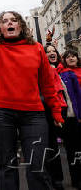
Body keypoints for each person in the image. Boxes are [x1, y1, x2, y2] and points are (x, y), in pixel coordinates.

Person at [0, 11, 63, 190]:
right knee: (7, 166)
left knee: (37, 166)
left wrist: (55, 111)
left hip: (34, 115)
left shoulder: (37, 48)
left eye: (14, 20)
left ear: (21, 26)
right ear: (0, 28)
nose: (9, 23)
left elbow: (47, 83)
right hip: (2, 114)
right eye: (4, 21)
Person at [43, 45, 67, 190]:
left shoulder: (62, 68)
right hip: (49, 110)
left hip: (64, 110)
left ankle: (58, 179)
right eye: (48, 52)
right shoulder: (47, 70)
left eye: (53, 51)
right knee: (49, 145)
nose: (52, 53)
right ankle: (53, 179)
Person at [58, 49, 81, 190]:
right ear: (64, 60)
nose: (71, 58)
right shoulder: (64, 73)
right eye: (68, 57)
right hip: (73, 117)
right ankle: (76, 178)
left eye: (74, 56)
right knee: (73, 150)